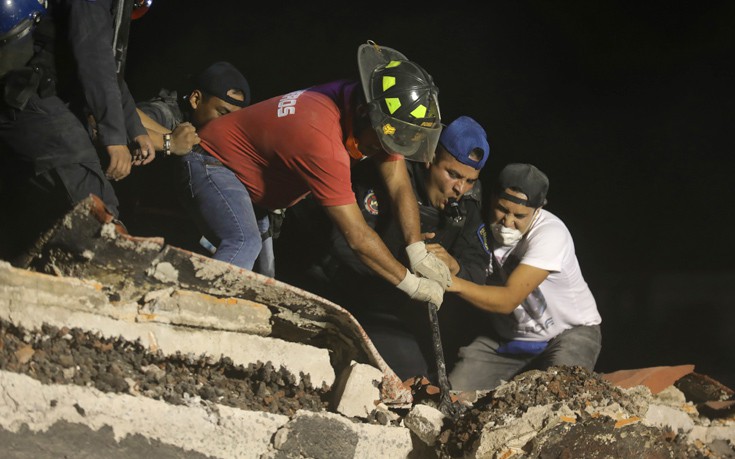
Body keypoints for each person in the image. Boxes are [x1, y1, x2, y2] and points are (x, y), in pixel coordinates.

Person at [178, 41, 451, 307]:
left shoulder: (366, 102)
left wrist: (415, 248)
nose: (382, 151)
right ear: (363, 113)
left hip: (253, 182)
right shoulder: (322, 140)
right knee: (243, 242)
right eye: (380, 141)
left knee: (263, 281)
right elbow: (357, 236)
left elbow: (399, 183)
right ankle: (197, 314)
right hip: (212, 162)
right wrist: (411, 284)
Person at [280, 115, 491, 380]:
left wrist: (454, 267)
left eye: (470, 180)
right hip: (334, 286)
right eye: (453, 175)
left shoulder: (468, 205)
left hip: (388, 307)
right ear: (429, 159)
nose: (460, 188)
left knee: (409, 376)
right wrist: (402, 262)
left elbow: (479, 270)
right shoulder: (387, 173)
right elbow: (342, 241)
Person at [0, 0, 154, 261]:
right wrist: (115, 136)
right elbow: (94, 57)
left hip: (36, 96)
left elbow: (109, 65)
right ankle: (114, 267)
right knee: (90, 194)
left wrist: (135, 128)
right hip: (27, 96)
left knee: (50, 215)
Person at [444, 163, 602, 391]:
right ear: (491, 199)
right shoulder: (476, 224)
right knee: (456, 393)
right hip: (510, 340)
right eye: (501, 209)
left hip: (568, 332)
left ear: (537, 211)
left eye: (519, 215)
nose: (508, 222)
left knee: (562, 395)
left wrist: (451, 282)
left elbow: (508, 299)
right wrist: (450, 264)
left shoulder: (551, 233)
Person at [114, 61, 250, 249]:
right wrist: (169, 142)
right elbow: (116, 125)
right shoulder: (166, 113)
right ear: (196, 99)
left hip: (180, 231)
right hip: (136, 225)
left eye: (233, 119)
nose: (226, 124)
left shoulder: (224, 136)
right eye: (222, 113)